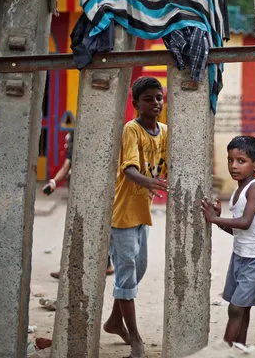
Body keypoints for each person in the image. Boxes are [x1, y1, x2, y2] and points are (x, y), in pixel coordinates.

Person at [102, 77, 168, 358]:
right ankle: (137, 340)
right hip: (123, 213)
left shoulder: (164, 131)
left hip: (142, 212)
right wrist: (150, 182)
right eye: (149, 99)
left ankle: (115, 321)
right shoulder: (132, 129)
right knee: (128, 275)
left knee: (137, 271)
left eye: (158, 98)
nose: (155, 103)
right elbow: (129, 169)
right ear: (136, 104)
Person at [200, 135, 255, 347]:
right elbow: (239, 232)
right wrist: (220, 221)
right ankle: (240, 348)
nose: (234, 166)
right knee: (241, 306)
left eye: (241, 161)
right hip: (239, 255)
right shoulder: (238, 190)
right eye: (230, 160)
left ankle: (226, 348)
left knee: (236, 308)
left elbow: (246, 222)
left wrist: (214, 218)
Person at [43, 133, 114, 279]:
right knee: (79, 228)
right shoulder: (78, 134)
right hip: (80, 191)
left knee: (92, 228)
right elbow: (67, 165)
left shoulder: (109, 133)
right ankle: (73, 267)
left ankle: (103, 264)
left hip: (98, 190)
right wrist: (54, 183)